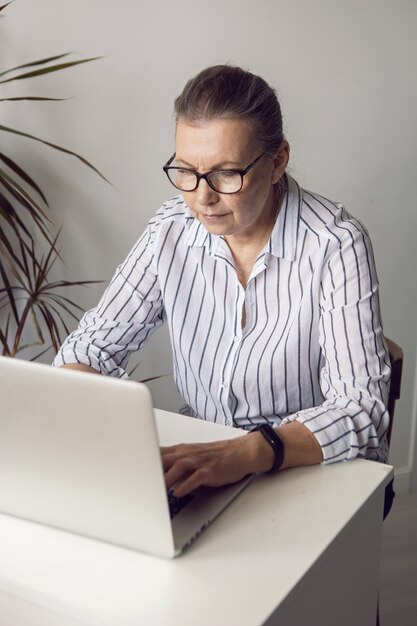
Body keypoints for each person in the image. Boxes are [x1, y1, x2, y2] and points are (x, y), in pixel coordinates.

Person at [54, 64, 391, 500]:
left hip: (306, 470)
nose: (201, 197)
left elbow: (361, 410)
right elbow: (89, 349)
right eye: (186, 171)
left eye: (226, 174)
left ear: (278, 162)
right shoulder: (171, 229)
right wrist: (78, 400)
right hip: (206, 464)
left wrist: (246, 451)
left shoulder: (336, 245)